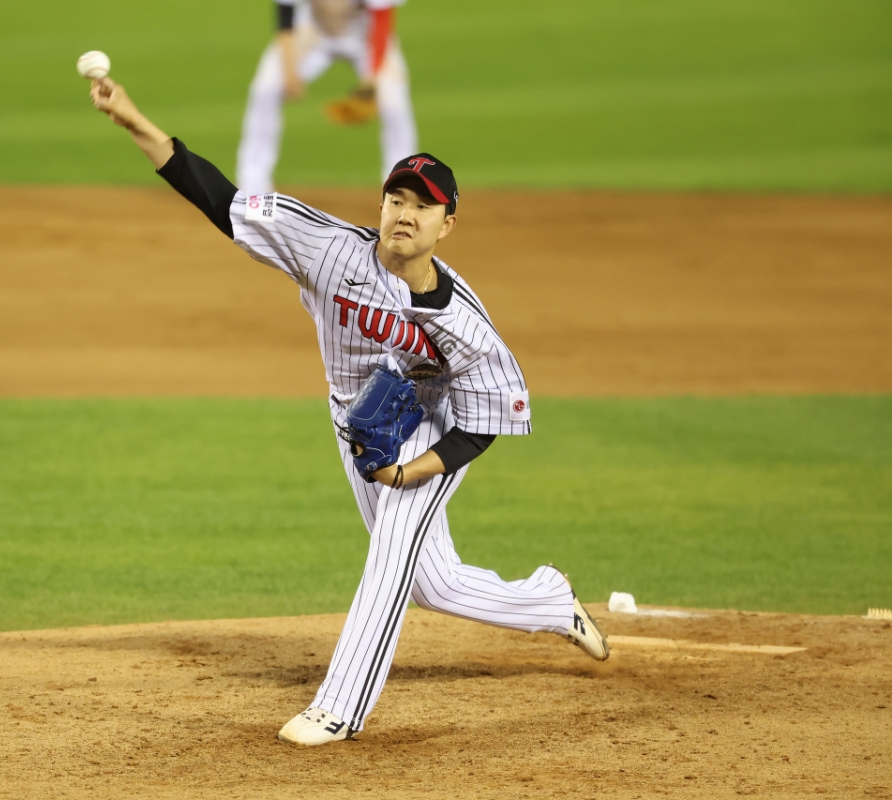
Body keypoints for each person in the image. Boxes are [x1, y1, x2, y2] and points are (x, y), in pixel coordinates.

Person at [89, 76, 610, 746]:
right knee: (434, 584)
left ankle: (342, 705)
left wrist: (415, 469)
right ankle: (547, 600)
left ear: (445, 225)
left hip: (435, 424)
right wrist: (136, 121)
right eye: (397, 197)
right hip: (356, 424)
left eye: (424, 206)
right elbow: (219, 200)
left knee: (393, 547)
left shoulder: (466, 326)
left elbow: (483, 421)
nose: (406, 212)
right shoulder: (328, 248)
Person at [236, 0, 417, 195]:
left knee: (394, 104)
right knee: (266, 89)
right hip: (315, 30)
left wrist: (371, 80)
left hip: (365, 35)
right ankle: (252, 185)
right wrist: (289, 70)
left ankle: (401, 185)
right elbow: (285, 15)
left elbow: (382, 21)